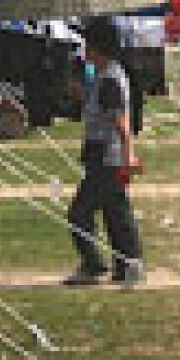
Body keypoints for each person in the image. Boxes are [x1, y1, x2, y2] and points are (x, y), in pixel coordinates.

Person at [65, 16, 143, 286]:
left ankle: (94, 265)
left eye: (87, 42)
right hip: (103, 152)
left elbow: (120, 121)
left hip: (107, 155)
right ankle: (128, 265)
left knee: (79, 212)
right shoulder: (104, 74)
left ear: (97, 47)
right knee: (115, 211)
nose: (83, 48)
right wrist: (84, 96)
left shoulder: (110, 77)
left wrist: (129, 155)